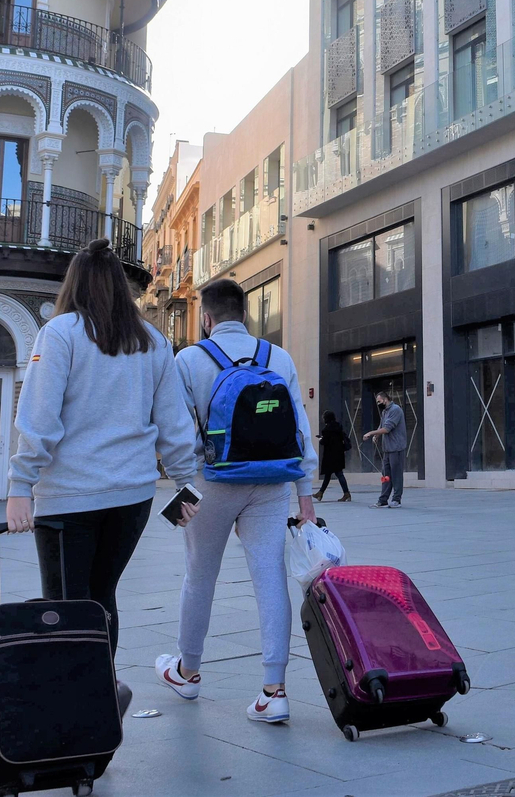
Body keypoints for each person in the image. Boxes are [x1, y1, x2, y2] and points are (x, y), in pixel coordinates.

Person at [6, 238, 200, 722]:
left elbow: (39, 416)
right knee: (101, 593)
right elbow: (174, 422)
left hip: (69, 496)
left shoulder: (60, 333)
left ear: (73, 284)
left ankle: (89, 701)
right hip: (130, 497)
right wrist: (185, 482)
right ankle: (101, 686)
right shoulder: (153, 342)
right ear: (120, 288)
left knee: (67, 602)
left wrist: (19, 484)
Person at [154, 277, 317, 723]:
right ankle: (274, 690)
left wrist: (183, 489)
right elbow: (299, 429)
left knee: (199, 577)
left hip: (211, 482)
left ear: (205, 318)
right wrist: (305, 495)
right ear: (244, 314)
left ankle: (188, 673)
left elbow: (178, 433)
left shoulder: (189, 359)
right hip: (271, 484)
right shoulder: (277, 357)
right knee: (270, 578)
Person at [362, 390, 407, 509]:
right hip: (387, 449)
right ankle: (383, 500)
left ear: (385, 399)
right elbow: (382, 426)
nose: (378, 403)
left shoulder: (395, 410)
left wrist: (371, 433)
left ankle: (397, 499)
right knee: (385, 475)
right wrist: (377, 435)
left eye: (379, 401)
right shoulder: (385, 412)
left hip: (396, 448)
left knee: (396, 474)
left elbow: (387, 428)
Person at [314, 411, 351, 502]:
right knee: (331, 474)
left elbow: (324, 442)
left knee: (337, 474)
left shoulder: (327, 429)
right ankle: (320, 493)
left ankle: (346, 493)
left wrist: (320, 439)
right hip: (339, 454)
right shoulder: (338, 427)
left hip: (330, 455)